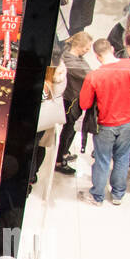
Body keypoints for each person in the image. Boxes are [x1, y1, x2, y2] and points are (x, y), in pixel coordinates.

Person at [79, 38, 130, 206]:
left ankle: (97, 196)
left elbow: (84, 104)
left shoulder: (94, 76)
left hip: (106, 124)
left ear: (97, 57)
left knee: (102, 159)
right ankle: (118, 194)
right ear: (112, 49)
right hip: (129, 122)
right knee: (122, 157)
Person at [56, 32, 93, 175]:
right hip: (71, 100)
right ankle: (60, 161)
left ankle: (64, 154)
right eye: (87, 47)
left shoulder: (72, 56)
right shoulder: (73, 63)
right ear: (79, 46)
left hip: (73, 99)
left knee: (70, 129)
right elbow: (91, 75)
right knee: (68, 130)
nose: (88, 50)